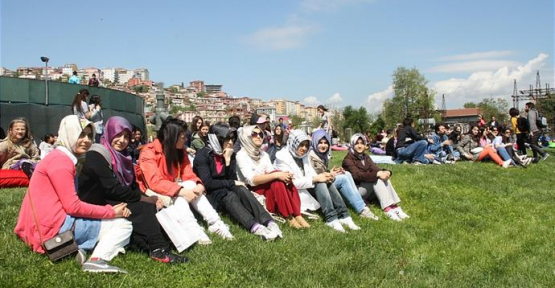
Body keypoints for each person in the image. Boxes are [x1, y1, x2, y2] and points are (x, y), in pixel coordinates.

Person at [14, 115, 132, 273]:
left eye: (90, 136)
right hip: (51, 229)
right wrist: (111, 212)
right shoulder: (62, 162)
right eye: (80, 134)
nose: (86, 140)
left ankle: (78, 249)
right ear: (69, 133)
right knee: (124, 225)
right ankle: (98, 260)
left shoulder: (59, 157)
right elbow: (73, 206)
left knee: (104, 219)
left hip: (42, 225)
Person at [78, 116, 188, 264]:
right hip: (97, 202)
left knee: (151, 206)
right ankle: (159, 249)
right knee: (144, 208)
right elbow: (112, 188)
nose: (122, 140)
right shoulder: (96, 155)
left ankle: (147, 244)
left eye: (126, 136)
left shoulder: (124, 156)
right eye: (118, 135)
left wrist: (149, 197)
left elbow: (132, 186)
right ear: (109, 132)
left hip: (113, 198)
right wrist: (144, 199)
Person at [135, 117, 233, 244]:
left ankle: (215, 222)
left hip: (173, 185)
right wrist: (181, 191)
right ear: (172, 137)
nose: (186, 139)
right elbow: (154, 181)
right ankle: (192, 227)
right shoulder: (149, 152)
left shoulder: (180, 151)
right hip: (154, 190)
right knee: (180, 195)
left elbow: (189, 174)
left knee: (190, 184)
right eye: (182, 137)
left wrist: (199, 185)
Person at [193, 123, 282, 241]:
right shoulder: (203, 155)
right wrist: (231, 183)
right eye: (227, 139)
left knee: (241, 189)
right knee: (229, 194)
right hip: (210, 195)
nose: (230, 142)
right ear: (217, 139)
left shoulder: (229, 153)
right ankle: (255, 227)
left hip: (223, 189)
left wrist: (228, 161)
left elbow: (232, 178)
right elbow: (207, 183)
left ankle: (269, 222)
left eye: (232, 139)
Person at [275, 130, 359, 233]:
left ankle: (344, 215)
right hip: (292, 192)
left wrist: (323, 175)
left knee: (325, 180)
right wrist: (316, 178)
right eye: (301, 145)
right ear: (293, 142)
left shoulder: (303, 156)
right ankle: (331, 218)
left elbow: (310, 172)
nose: (304, 148)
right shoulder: (281, 157)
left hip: (305, 187)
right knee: (320, 181)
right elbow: (292, 182)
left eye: (306, 145)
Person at [235, 125, 309, 229]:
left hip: (265, 186)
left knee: (285, 179)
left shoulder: (264, 154)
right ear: (246, 137)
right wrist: (276, 175)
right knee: (277, 180)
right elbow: (251, 180)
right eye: (254, 134)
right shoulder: (241, 155)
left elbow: (270, 171)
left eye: (260, 134)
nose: (259, 136)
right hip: (252, 191)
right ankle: (288, 216)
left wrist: (284, 175)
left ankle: (297, 214)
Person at [308, 129, 379, 220]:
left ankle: (359, 203)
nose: (323, 145)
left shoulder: (322, 155)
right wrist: (331, 174)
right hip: (316, 187)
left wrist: (332, 172)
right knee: (343, 179)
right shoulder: (311, 156)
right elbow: (315, 177)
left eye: (325, 143)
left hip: (323, 181)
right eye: (320, 143)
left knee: (347, 174)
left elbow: (322, 172)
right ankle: (361, 209)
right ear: (314, 142)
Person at [342, 133, 410, 221]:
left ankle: (394, 206)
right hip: (356, 190)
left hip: (366, 188)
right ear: (352, 145)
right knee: (376, 178)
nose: (359, 146)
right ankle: (387, 208)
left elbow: (375, 168)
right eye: (357, 143)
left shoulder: (365, 157)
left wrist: (386, 172)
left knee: (382, 177)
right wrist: (377, 174)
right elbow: (357, 175)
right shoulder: (348, 159)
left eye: (362, 143)